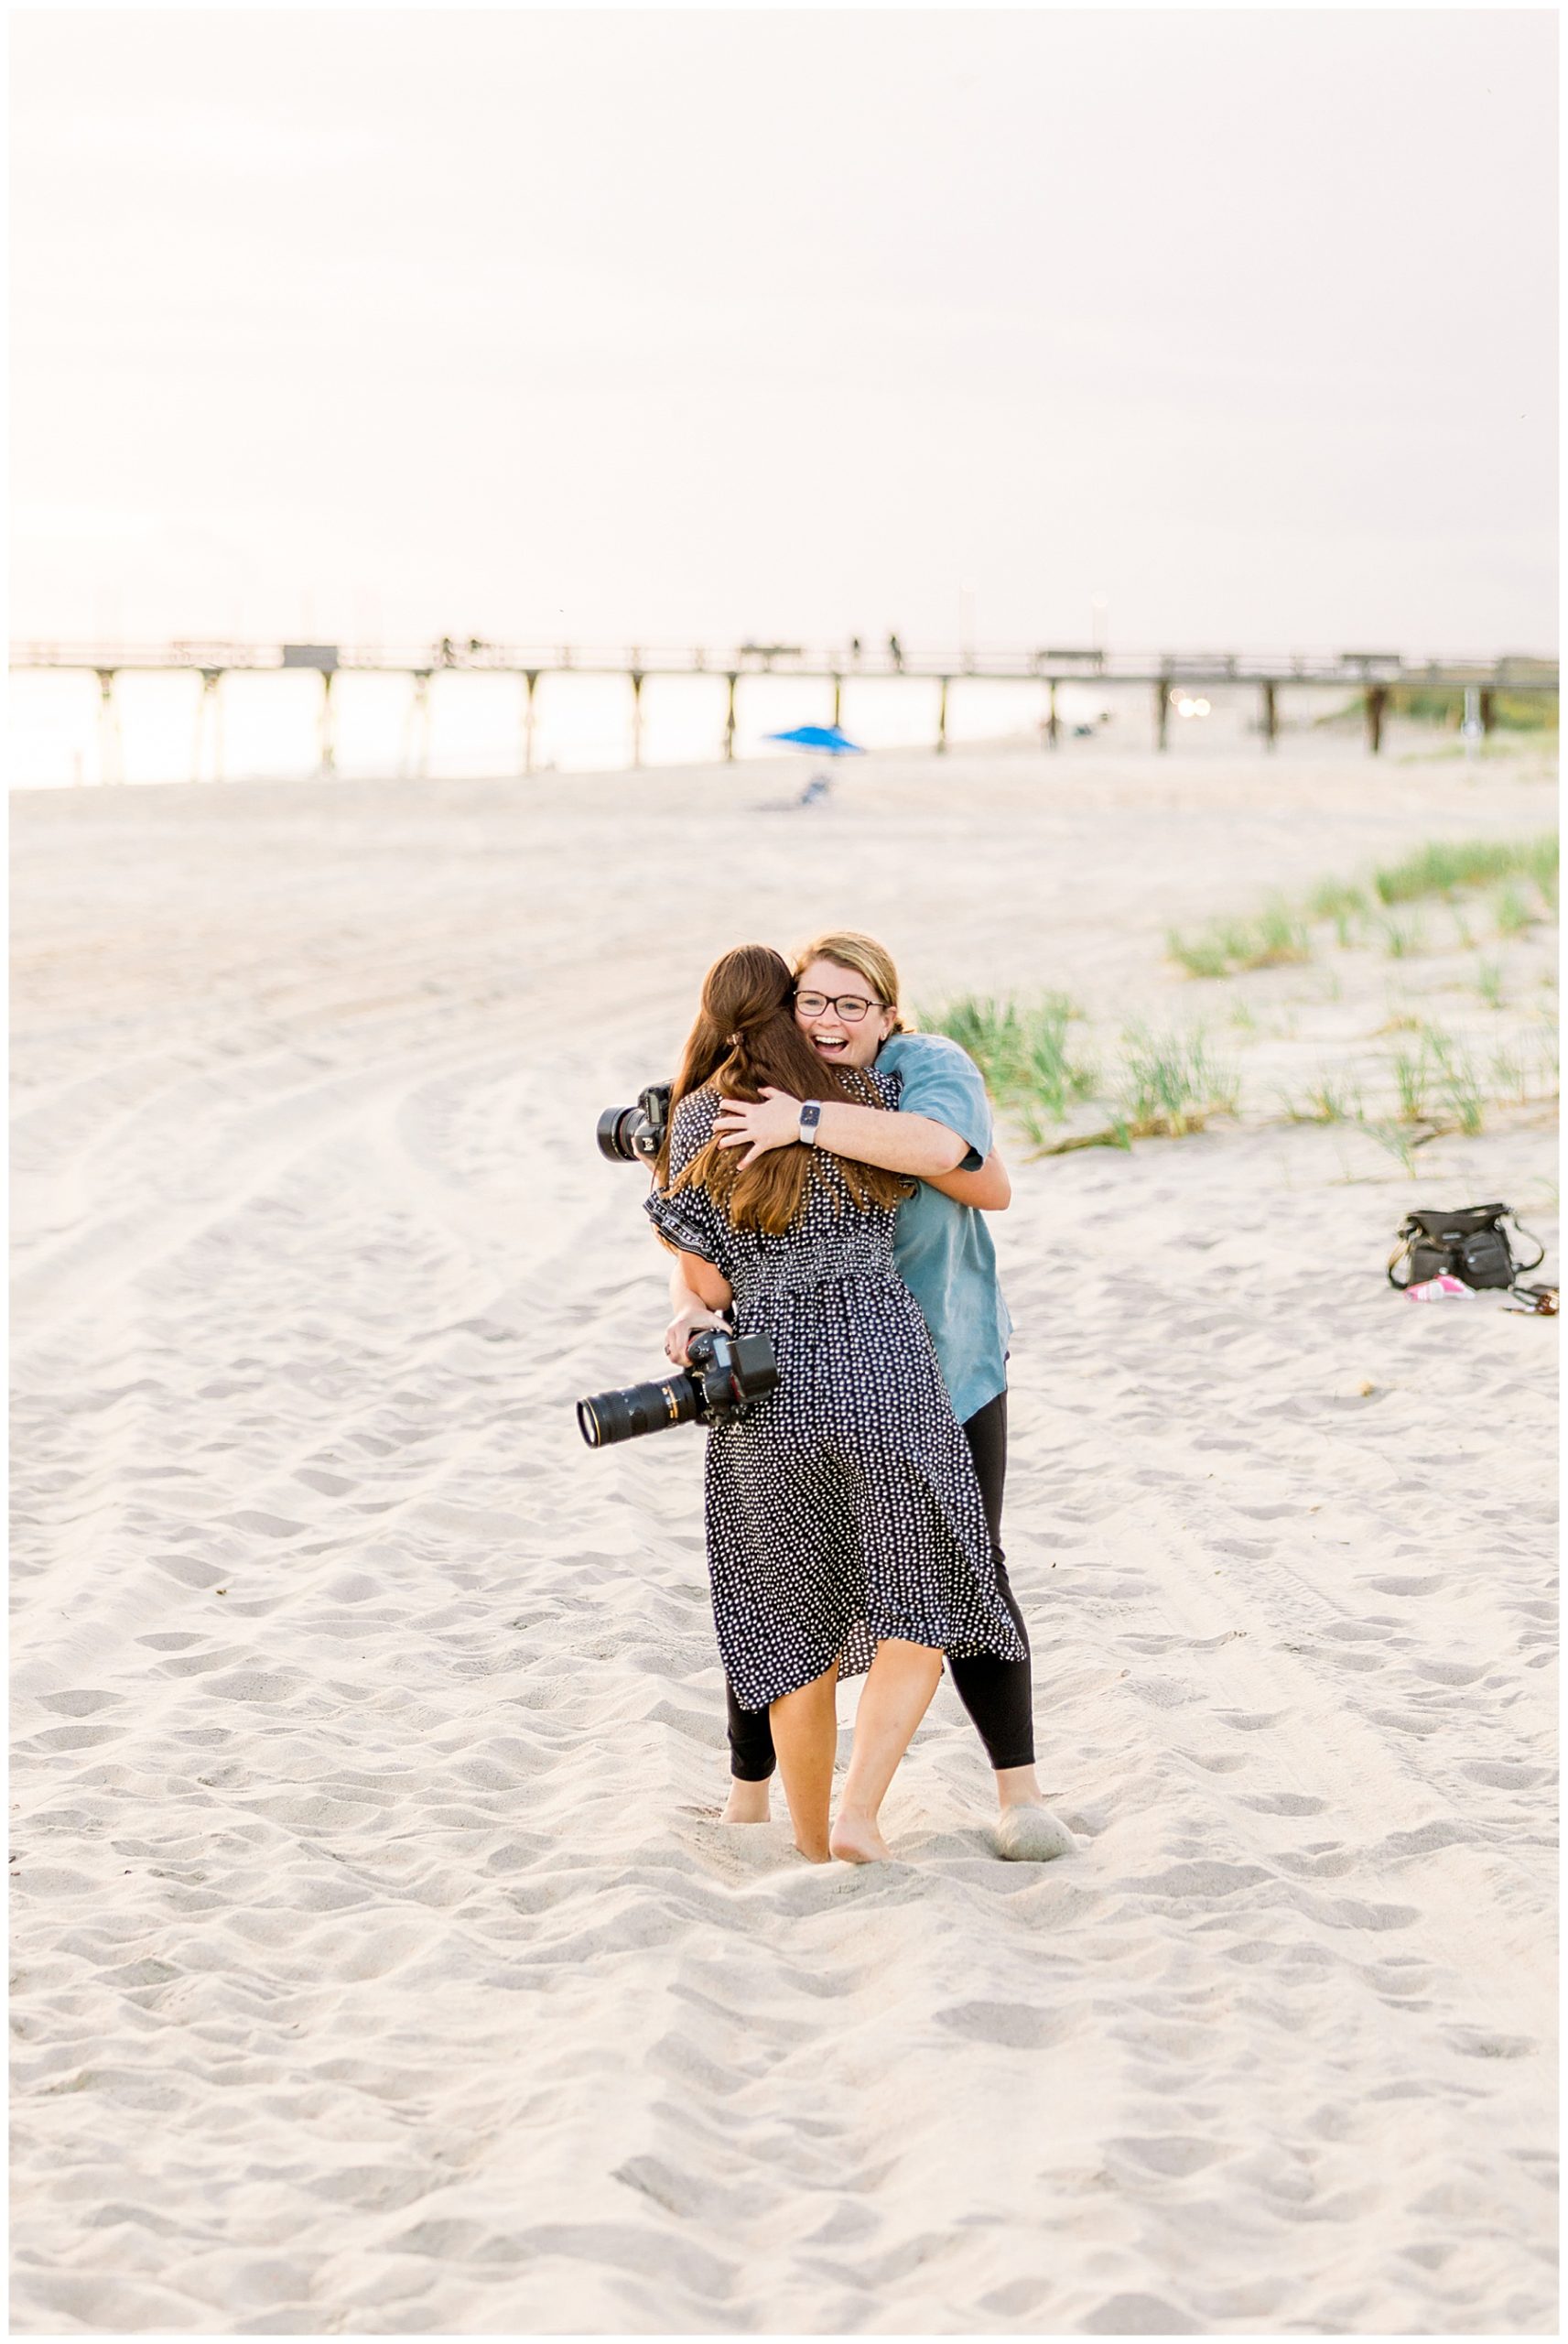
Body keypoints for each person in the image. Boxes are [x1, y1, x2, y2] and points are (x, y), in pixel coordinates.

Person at [666, 929, 1072, 1862]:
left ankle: (1012, 1791)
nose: (832, 1019)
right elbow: (706, 1262)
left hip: (946, 1358)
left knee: (955, 1566)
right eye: (814, 1002)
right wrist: (685, 1304)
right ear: (785, 1010)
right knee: (803, 1577)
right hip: (854, 1370)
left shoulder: (916, 1071)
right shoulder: (795, 1091)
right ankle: (757, 1796)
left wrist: (800, 1122)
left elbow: (977, 1172)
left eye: (854, 1004)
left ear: (890, 1014)